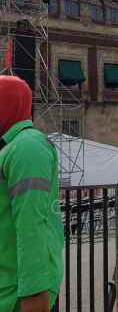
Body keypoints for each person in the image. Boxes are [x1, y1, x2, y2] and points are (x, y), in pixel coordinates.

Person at [0, 75, 64, 312]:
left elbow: (31, 227)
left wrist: (34, 295)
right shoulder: (9, 147)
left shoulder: (27, 147)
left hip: (20, 297)